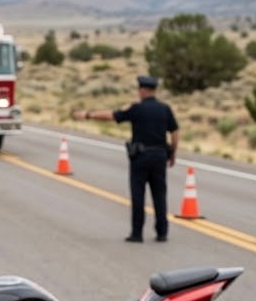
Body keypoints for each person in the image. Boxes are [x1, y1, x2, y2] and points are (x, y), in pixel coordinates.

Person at [75, 75, 180, 243]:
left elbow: (112, 116)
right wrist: (173, 153)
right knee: (159, 195)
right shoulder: (165, 109)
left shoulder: (136, 109)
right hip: (160, 156)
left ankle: (137, 233)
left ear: (143, 90)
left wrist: (88, 115)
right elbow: (175, 132)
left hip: (141, 156)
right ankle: (162, 232)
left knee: (138, 195)